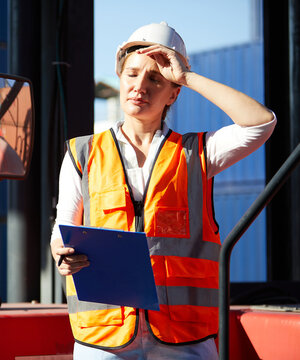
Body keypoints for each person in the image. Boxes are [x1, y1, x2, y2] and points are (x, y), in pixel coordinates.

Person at [49, 22, 276, 359]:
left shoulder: (198, 153)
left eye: (155, 79)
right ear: (120, 78)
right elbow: (62, 228)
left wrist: (187, 76)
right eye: (132, 74)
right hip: (104, 335)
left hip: (185, 337)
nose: (140, 86)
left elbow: (260, 123)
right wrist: (60, 253)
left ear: (173, 93)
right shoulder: (82, 154)